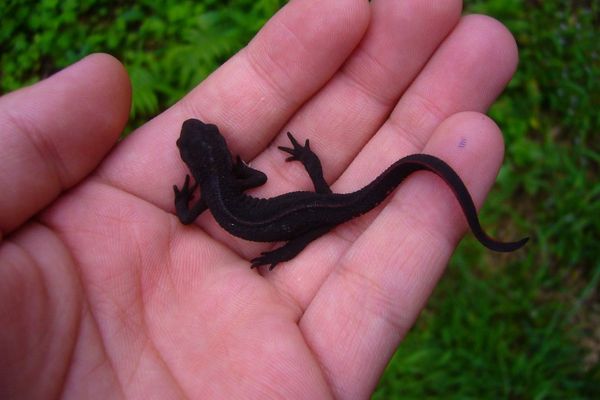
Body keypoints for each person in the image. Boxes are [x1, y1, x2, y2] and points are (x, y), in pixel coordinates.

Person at [0, 1, 518, 398]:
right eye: (197, 141)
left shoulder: (208, 197)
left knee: (326, 209)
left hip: (306, 216)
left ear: (200, 168)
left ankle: (290, 240)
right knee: (324, 208)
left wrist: (203, 203)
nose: (197, 136)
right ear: (219, 157)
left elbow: (187, 216)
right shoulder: (222, 189)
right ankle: (288, 242)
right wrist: (268, 226)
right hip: (305, 216)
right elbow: (249, 186)